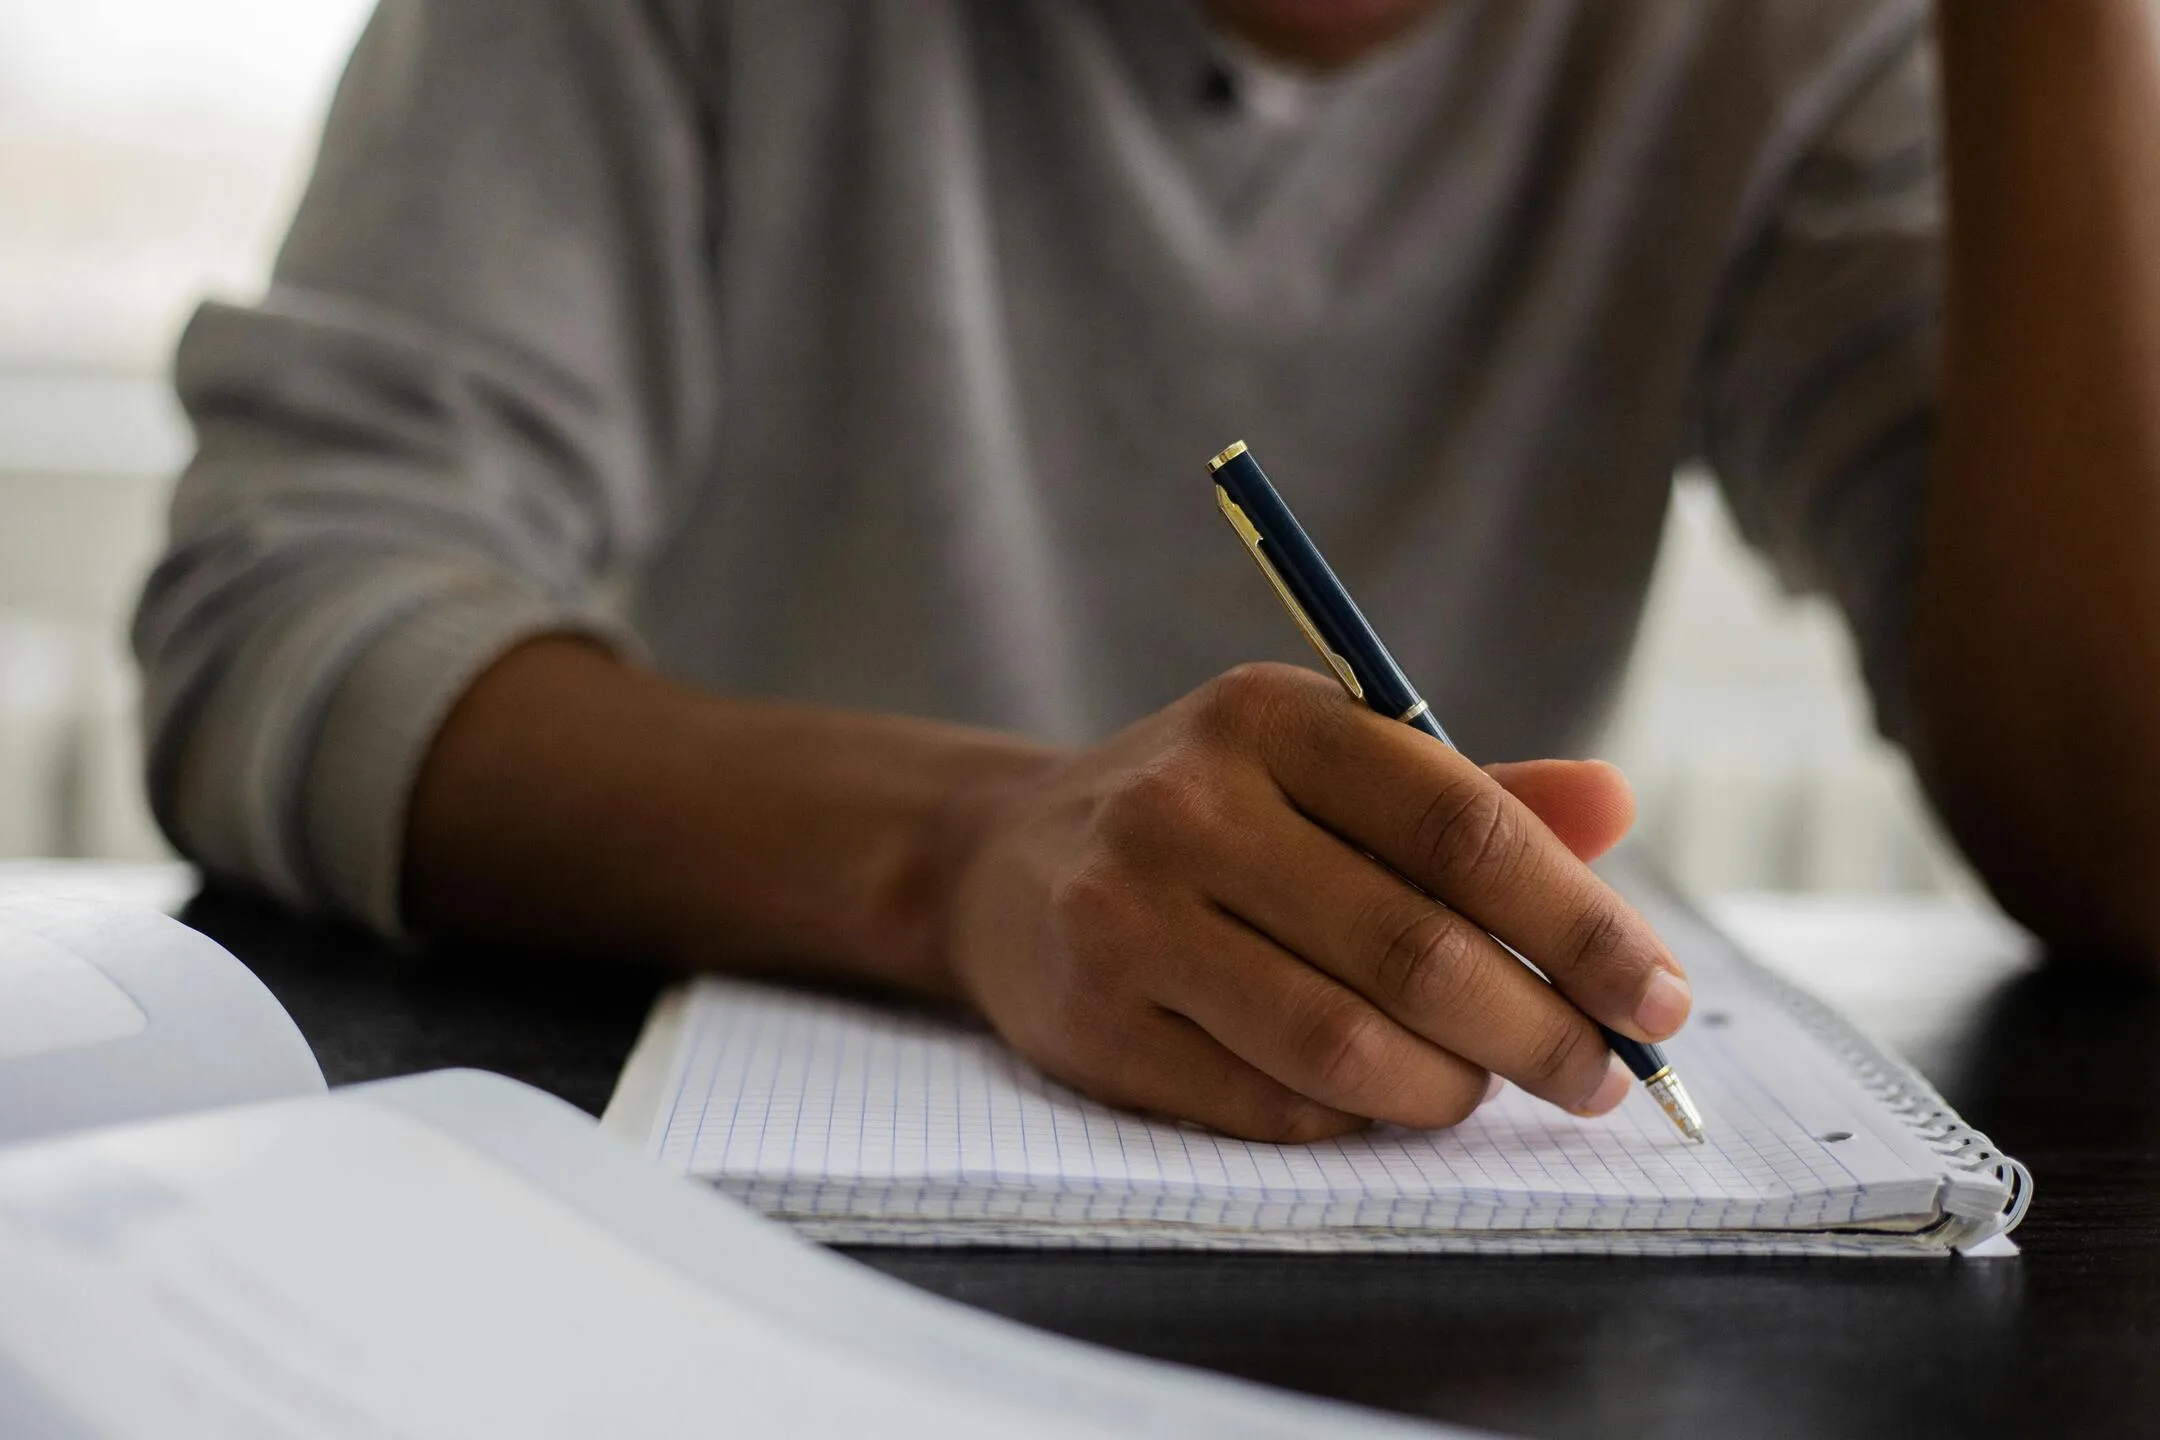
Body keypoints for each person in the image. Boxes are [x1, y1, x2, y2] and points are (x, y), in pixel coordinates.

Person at [136, 0, 2160, 1142]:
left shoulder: (1800, 42)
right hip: (705, 1258)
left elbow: (2123, 823)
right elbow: (279, 623)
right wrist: (954, 854)